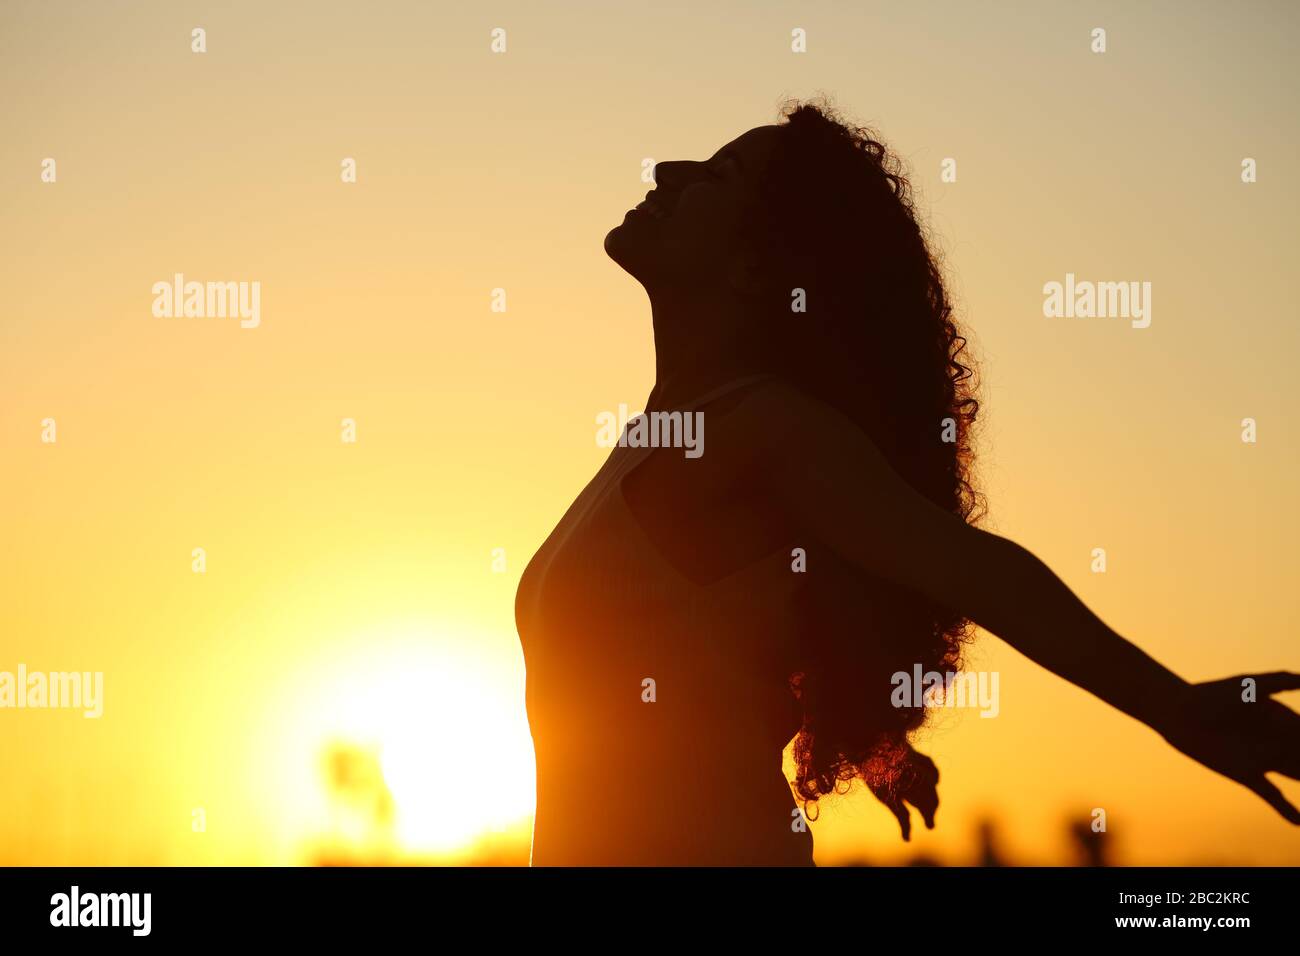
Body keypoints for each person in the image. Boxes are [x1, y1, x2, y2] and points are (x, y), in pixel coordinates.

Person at [514, 100, 1300, 865]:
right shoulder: (666, 434)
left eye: (717, 175)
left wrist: (1173, 705)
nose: (670, 170)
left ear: (757, 265)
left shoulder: (763, 427)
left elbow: (975, 568)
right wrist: (869, 738)